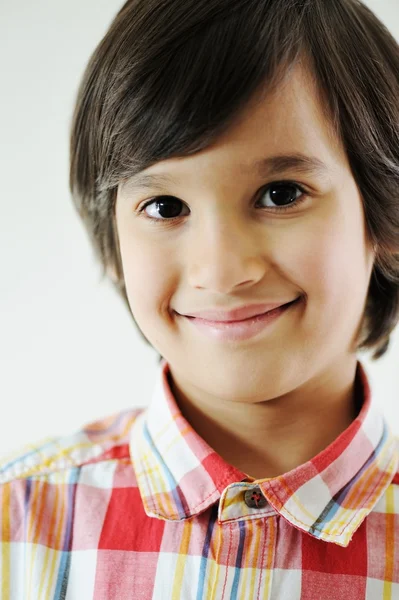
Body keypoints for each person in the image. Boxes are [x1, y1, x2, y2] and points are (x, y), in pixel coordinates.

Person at [1, 0, 399, 597]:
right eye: (165, 208)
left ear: (385, 218)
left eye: (282, 193)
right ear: (113, 242)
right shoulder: (21, 519)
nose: (221, 271)